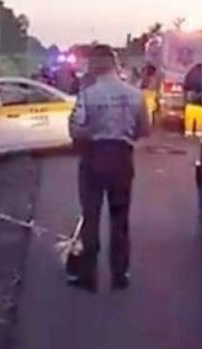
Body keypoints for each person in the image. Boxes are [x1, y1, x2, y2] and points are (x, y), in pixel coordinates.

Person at [68, 44, 151, 292]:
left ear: (95, 66)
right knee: (120, 218)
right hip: (122, 159)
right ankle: (120, 274)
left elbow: (75, 129)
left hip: (94, 158)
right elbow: (144, 130)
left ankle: (88, 275)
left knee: (91, 217)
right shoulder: (135, 95)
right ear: (114, 64)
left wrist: (92, 134)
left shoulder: (87, 95)